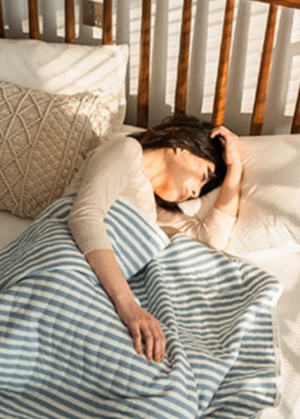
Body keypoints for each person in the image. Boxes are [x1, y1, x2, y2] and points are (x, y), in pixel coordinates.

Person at [66, 114, 244, 364]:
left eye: (200, 192)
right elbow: (85, 216)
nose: (194, 193)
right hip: (70, 269)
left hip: (98, 290)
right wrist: (128, 306)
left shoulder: (156, 212)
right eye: (203, 176)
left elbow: (212, 239)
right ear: (181, 147)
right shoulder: (126, 150)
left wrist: (236, 166)